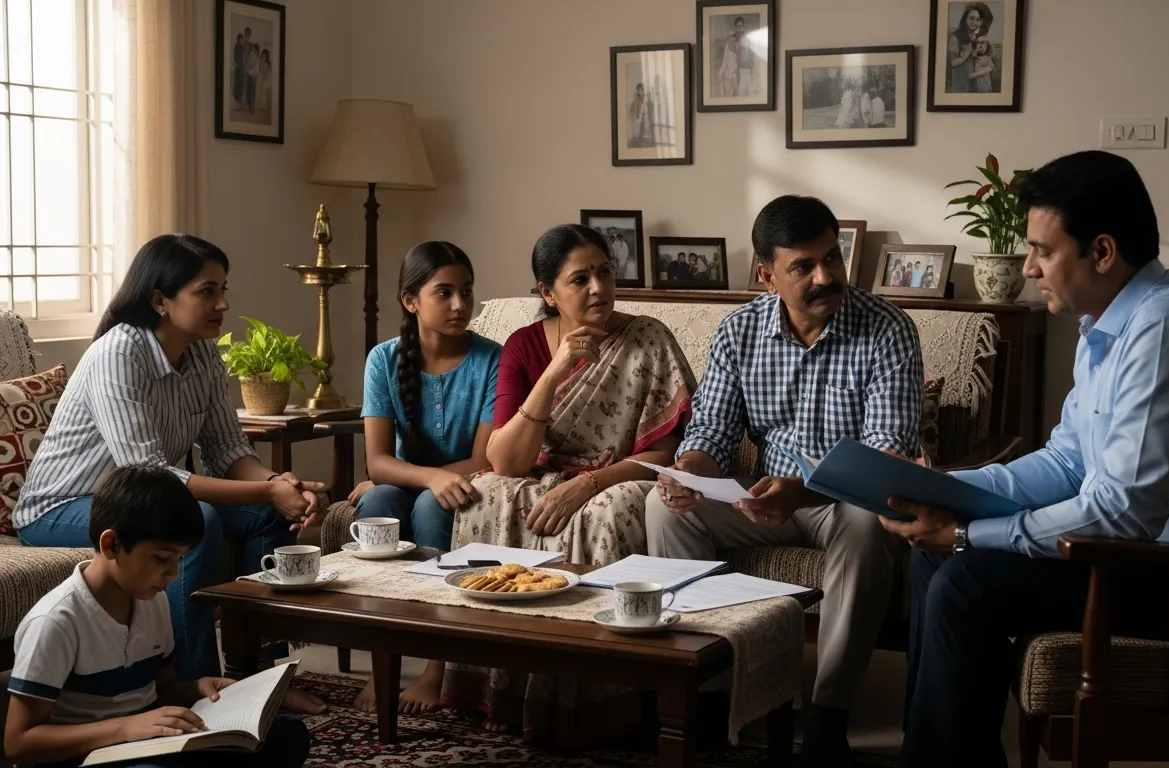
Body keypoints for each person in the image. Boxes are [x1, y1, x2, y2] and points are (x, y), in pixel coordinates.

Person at [886, 151, 1169, 767]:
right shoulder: (1108, 325)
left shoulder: (1163, 334)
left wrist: (969, 532)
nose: (1028, 268)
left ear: (1101, 252)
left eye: (1043, 251)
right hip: (1151, 562)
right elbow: (1068, 462)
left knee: (966, 579)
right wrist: (946, 485)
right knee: (931, 565)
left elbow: (1124, 513)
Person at [646, 195, 923, 768]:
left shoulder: (888, 329)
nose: (826, 277)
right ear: (767, 275)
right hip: (762, 497)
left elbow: (883, 461)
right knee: (664, 506)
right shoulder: (739, 331)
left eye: (832, 258)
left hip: (841, 501)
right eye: (804, 267)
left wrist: (802, 488)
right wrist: (689, 474)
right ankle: (706, 691)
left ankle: (829, 714)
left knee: (868, 522)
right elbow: (712, 433)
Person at [13, 234, 328, 714]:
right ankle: (202, 689)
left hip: (144, 496)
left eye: (224, 288)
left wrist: (279, 486)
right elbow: (150, 474)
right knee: (194, 520)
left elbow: (226, 448)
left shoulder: (202, 353)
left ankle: (261, 676)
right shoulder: (119, 353)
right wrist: (266, 490)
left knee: (266, 518)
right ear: (160, 300)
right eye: (207, 291)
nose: (222, 303)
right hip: (59, 507)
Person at [441, 224, 695, 744]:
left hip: (622, 473)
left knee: (611, 507)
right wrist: (556, 369)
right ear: (547, 293)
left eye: (604, 272)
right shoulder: (524, 345)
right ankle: (499, 685)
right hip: (540, 471)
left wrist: (589, 484)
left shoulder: (648, 338)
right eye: (580, 279)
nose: (599, 288)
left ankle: (599, 691)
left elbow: (666, 452)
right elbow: (506, 462)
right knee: (486, 491)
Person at [4, 465, 310, 768]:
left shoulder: (153, 602)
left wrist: (198, 688)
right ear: (111, 545)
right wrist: (125, 728)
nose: (174, 574)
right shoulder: (55, 621)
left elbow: (163, 689)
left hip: (146, 744)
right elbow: (19, 743)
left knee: (286, 735)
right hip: (88, 755)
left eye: (179, 559)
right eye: (162, 559)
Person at [347, 241, 500, 715]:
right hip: (411, 481)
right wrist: (425, 476)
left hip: (465, 487)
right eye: (445, 293)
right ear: (410, 301)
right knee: (376, 503)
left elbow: (485, 459)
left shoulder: (492, 359)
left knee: (433, 504)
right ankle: (383, 664)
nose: (460, 305)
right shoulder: (383, 360)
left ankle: (438, 667)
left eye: (467, 292)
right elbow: (376, 463)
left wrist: (426, 481)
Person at [948, 3, 992, 94]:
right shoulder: (955, 37)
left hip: (976, 85)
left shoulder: (979, 38)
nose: (974, 22)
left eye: (977, 19)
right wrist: (965, 54)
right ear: (965, 19)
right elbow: (953, 63)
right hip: (961, 83)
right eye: (971, 18)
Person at [733, 16, 756, 96]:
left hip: (747, 69)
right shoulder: (732, 39)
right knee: (739, 92)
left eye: (741, 26)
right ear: (735, 27)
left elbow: (750, 54)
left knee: (750, 92)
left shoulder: (747, 38)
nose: (740, 28)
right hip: (737, 69)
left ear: (743, 26)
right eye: (738, 26)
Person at [258, 49, 273, 115]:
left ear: (267, 56)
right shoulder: (261, 63)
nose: (264, 57)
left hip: (269, 79)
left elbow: (270, 71)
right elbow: (260, 71)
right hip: (264, 80)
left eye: (265, 55)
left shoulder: (269, 63)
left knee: (268, 93)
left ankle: (269, 105)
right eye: (263, 55)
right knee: (263, 93)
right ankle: (263, 107)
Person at [232, 33, 245, 109]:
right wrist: (238, 64)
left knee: (240, 84)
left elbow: (242, 58)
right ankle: (237, 100)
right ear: (239, 38)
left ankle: (239, 99)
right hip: (238, 67)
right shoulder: (237, 46)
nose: (242, 39)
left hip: (240, 67)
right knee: (238, 83)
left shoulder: (241, 46)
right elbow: (236, 57)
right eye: (241, 38)